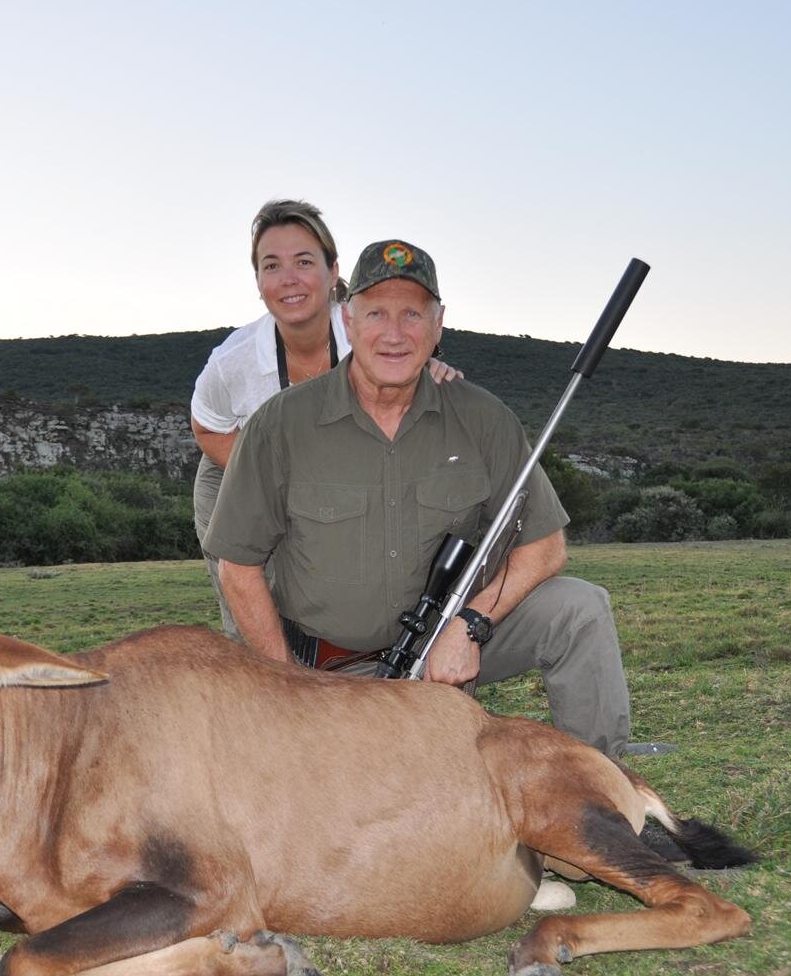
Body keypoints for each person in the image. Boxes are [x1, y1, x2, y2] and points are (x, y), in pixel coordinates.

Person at [202, 238, 632, 759]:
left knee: (580, 608)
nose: (394, 334)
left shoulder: (483, 419)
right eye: (376, 313)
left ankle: (605, 791)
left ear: (438, 323)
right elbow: (237, 567)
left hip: (448, 644)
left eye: (413, 314)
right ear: (348, 319)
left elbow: (546, 548)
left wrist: (470, 624)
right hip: (329, 671)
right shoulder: (279, 425)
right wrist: (290, 688)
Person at [190, 200, 456, 637]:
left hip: (340, 471)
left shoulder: (363, 329)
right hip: (236, 471)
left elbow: (410, 351)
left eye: (304, 261)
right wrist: (276, 481)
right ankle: (261, 687)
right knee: (251, 614)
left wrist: (433, 370)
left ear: (333, 272)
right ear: (258, 281)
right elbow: (207, 427)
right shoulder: (231, 361)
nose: (289, 278)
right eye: (271, 265)